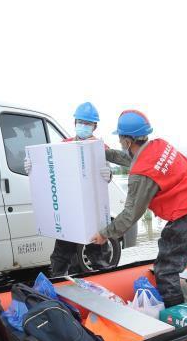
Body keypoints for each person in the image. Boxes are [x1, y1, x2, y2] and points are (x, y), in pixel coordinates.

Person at [90, 110, 187, 307]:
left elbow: (131, 213)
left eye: (121, 140)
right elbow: (132, 160)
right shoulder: (160, 146)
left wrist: (105, 233)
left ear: (127, 141)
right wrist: (102, 151)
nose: (120, 144)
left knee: (166, 271)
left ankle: (178, 322)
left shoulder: (141, 173)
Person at [24, 101, 131, 275]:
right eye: (81, 122)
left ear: (94, 126)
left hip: (91, 212)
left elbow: (107, 172)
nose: (83, 126)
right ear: (75, 123)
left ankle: (102, 289)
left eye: (88, 123)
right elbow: (50, 168)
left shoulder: (99, 147)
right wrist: (32, 167)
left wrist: (108, 174)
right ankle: (57, 288)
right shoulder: (63, 145)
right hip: (68, 211)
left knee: (97, 254)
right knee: (60, 255)